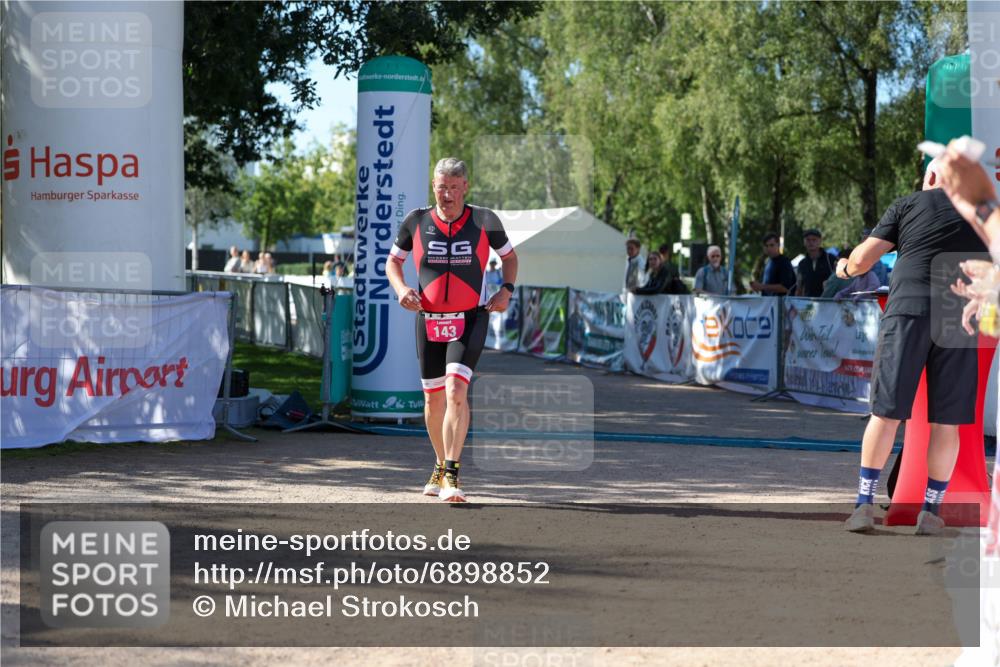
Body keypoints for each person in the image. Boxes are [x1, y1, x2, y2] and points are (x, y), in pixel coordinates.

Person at [839, 157, 987, 535]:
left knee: (886, 413)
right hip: (958, 317)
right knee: (946, 422)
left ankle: (864, 506)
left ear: (932, 177)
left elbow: (862, 260)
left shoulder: (907, 204)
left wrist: (843, 268)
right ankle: (931, 512)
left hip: (908, 311)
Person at [386, 157, 518, 503]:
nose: (447, 195)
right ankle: (439, 464)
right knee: (433, 399)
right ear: (434, 186)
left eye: (454, 188)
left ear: (465, 188)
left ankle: (452, 474)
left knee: (456, 390)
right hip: (429, 319)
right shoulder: (416, 221)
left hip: (470, 318)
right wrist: (401, 290)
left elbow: (510, 257)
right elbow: (393, 262)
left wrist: (506, 289)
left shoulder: (484, 220)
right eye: (442, 187)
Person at [795, 229, 836, 297]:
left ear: (820, 241)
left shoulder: (831, 259)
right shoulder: (802, 263)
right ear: (804, 242)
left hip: (828, 302)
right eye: (808, 240)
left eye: (814, 240)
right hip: (808, 304)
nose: (811, 242)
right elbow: (799, 287)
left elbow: (839, 282)